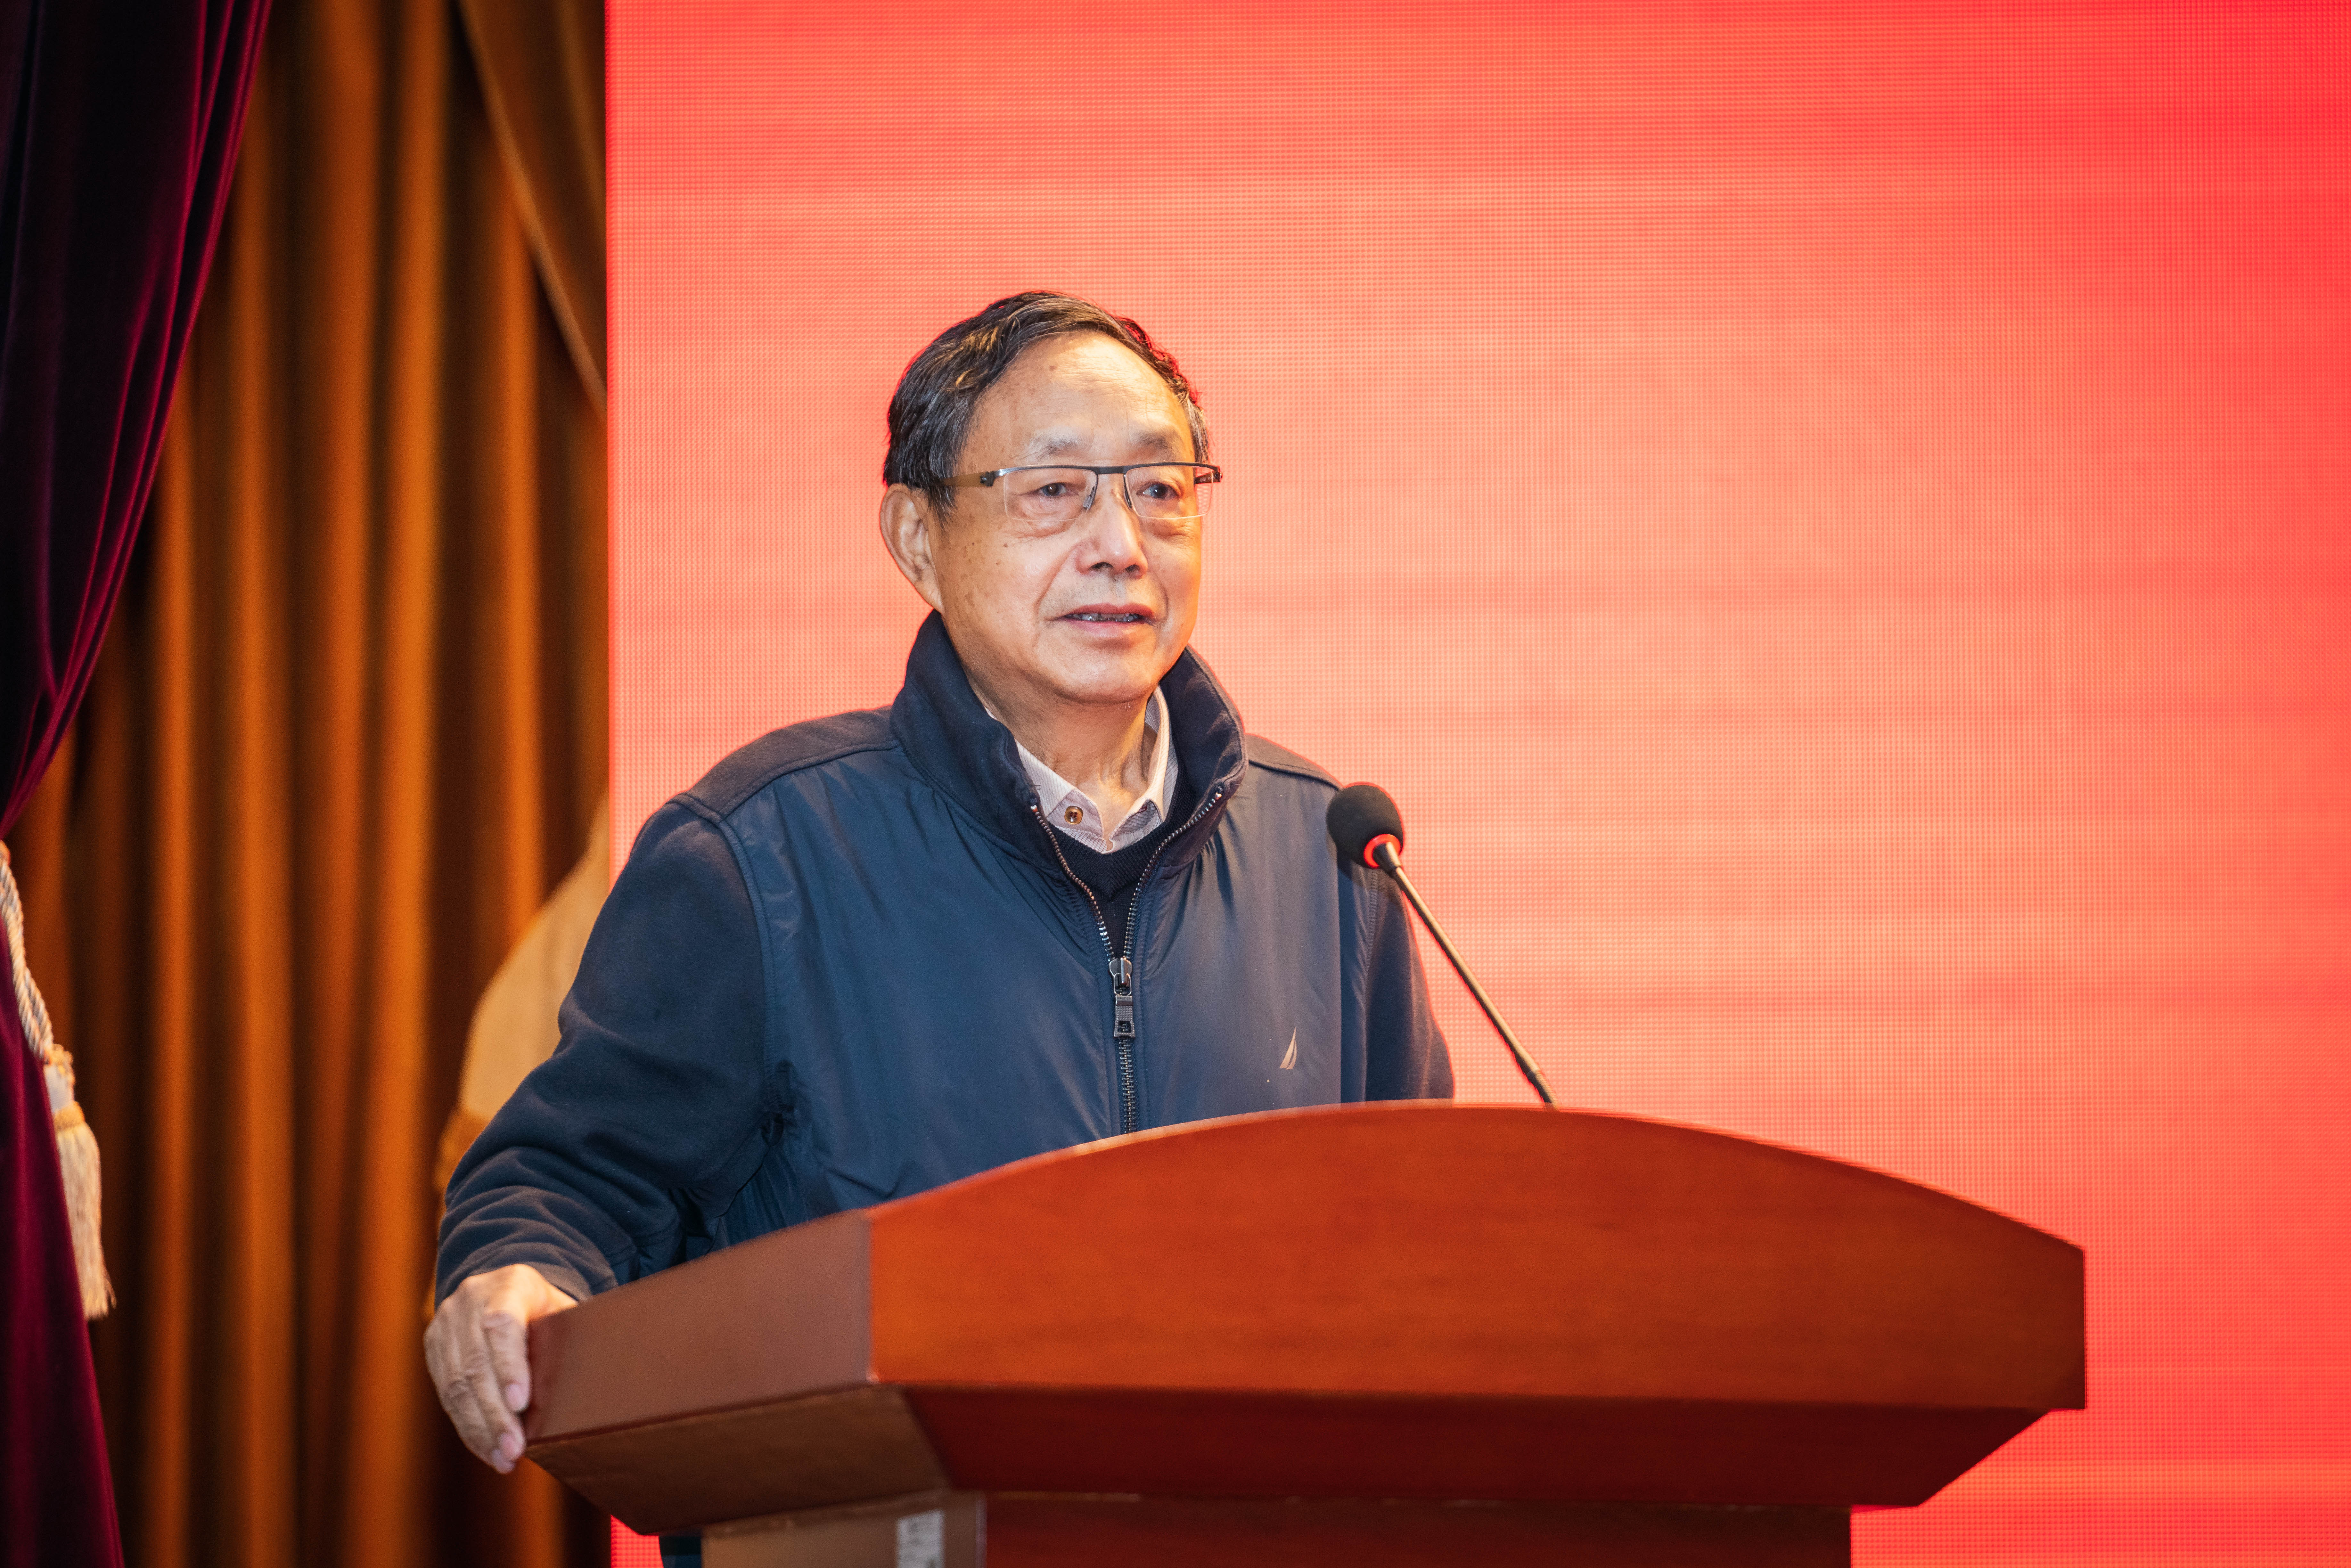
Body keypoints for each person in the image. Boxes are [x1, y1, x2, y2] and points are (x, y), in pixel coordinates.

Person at [425, 292, 1452, 1475]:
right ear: (917, 539)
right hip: (871, 1518)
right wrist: (520, 1274)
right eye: (1054, 490)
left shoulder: (1328, 853)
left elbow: (1424, 1232)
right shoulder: (759, 856)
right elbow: (574, 1179)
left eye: (1161, 489)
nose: (1121, 542)